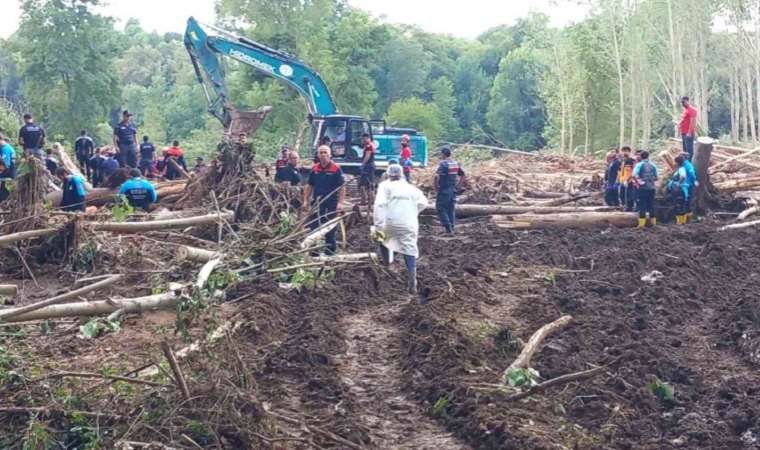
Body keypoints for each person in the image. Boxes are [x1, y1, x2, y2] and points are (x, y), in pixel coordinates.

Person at [373, 162, 428, 294]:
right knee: (410, 249)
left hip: (389, 222)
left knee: (380, 240)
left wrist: (378, 225)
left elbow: (379, 206)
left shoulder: (384, 186)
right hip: (409, 223)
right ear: (402, 175)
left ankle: (387, 266)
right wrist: (413, 212)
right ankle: (412, 281)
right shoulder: (411, 188)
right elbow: (423, 203)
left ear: (388, 175)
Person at [302, 145, 346, 255]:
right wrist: (306, 201)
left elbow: (342, 187)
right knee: (314, 226)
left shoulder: (336, 168)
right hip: (317, 202)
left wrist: (340, 203)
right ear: (317, 155)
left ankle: (330, 252)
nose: (323, 154)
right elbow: (309, 185)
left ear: (330, 154)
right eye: (320, 152)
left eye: (325, 152)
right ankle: (313, 252)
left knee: (330, 227)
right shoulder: (315, 168)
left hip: (331, 203)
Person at [434, 147, 466, 234]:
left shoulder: (443, 164)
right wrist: (458, 186)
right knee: (450, 208)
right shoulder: (455, 163)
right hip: (453, 189)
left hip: (444, 188)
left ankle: (448, 228)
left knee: (440, 208)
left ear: (443, 154)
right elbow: (463, 175)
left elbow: (437, 176)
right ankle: (452, 227)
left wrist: (436, 187)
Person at [632, 151, 658, 228]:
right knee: (651, 205)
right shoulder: (653, 165)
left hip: (642, 188)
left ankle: (641, 225)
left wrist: (638, 182)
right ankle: (653, 224)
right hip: (652, 188)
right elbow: (656, 177)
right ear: (648, 156)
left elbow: (633, 175)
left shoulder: (639, 165)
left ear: (641, 157)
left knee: (642, 205)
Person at [668, 155, 692, 225]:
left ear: (677, 163)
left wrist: (678, 184)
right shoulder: (679, 169)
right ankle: (682, 222)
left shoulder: (681, 169)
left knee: (679, 205)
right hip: (678, 189)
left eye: (675, 162)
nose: (674, 163)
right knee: (680, 205)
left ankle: (680, 222)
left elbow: (683, 176)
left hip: (679, 190)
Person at [680, 152, 698, 222]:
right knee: (684, 201)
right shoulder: (683, 164)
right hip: (684, 185)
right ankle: (685, 219)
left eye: (681, 156)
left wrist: (694, 181)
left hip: (688, 185)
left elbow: (692, 174)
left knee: (687, 201)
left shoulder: (688, 165)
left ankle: (688, 219)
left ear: (684, 157)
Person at [618, 146, 636, 212]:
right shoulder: (622, 161)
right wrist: (619, 180)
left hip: (629, 181)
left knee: (629, 195)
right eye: (623, 151)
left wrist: (628, 180)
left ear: (629, 152)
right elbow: (620, 171)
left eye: (626, 151)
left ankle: (629, 208)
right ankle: (624, 206)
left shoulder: (631, 161)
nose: (625, 152)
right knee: (622, 195)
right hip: (622, 180)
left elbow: (633, 171)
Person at [359, 133, 376, 205]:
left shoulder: (369, 146)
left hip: (368, 166)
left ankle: (366, 201)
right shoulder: (370, 145)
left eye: (363, 139)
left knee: (365, 184)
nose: (362, 140)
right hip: (370, 166)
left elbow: (367, 156)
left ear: (366, 138)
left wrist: (363, 165)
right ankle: (370, 200)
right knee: (369, 183)